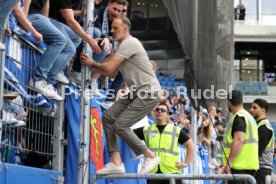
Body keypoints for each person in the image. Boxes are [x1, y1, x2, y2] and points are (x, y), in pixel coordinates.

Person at [80, 16, 162, 174]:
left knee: (120, 125)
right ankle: (116, 162)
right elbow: (112, 73)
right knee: (108, 118)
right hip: (137, 92)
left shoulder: (130, 42)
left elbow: (109, 68)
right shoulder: (121, 46)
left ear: (126, 29)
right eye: (111, 27)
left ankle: (150, 156)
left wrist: (92, 63)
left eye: (115, 27)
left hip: (148, 93)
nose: (111, 30)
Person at [25, 0, 79, 100]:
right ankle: (39, 79)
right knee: (60, 40)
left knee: (73, 43)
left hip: (40, 17)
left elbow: (46, 6)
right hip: (31, 15)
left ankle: (50, 77)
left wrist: (47, 23)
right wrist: (24, 20)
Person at [134, 101, 194, 184]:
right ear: (154, 113)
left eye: (162, 110)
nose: (159, 112)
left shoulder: (175, 130)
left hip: (172, 172)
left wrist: (186, 162)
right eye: (157, 110)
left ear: (167, 115)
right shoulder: (146, 130)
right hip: (153, 174)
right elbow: (128, 134)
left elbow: (190, 145)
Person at [223, 90, 259, 184]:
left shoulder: (239, 117)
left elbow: (239, 140)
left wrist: (229, 163)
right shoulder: (250, 118)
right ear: (242, 101)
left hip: (239, 169)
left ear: (228, 103)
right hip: (250, 168)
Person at [250, 98, 274, 184]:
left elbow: (256, 152)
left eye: (254, 107)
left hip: (261, 170)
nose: (251, 110)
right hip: (259, 169)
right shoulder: (258, 125)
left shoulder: (264, 127)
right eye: (251, 107)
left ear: (263, 110)